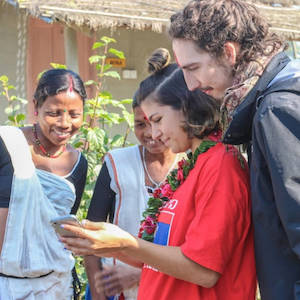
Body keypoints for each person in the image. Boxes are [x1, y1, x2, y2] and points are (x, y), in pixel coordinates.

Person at [60, 67, 256, 300]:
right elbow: (164, 256)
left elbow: (204, 270)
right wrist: (105, 243)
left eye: (158, 120)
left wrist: (126, 243)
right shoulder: (191, 167)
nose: (154, 133)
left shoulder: (221, 165)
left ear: (186, 109)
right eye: (147, 123)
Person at [168, 1, 300, 299]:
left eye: (193, 68)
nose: (189, 85)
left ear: (229, 53)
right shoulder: (283, 91)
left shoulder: (277, 108)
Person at [84, 48, 181, 300]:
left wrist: (143, 275)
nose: (151, 133)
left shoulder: (193, 166)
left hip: (173, 290)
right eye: (141, 124)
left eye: (157, 121)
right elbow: (92, 235)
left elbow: (195, 253)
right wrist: (97, 293)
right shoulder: (117, 164)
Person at [0, 68, 88, 299]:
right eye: (54, 113)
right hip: (5, 283)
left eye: (74, 114)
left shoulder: (79, 163)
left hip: (54, 285)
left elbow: (63, 228)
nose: (64, 123)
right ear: (36, 106)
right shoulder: (8, 144)